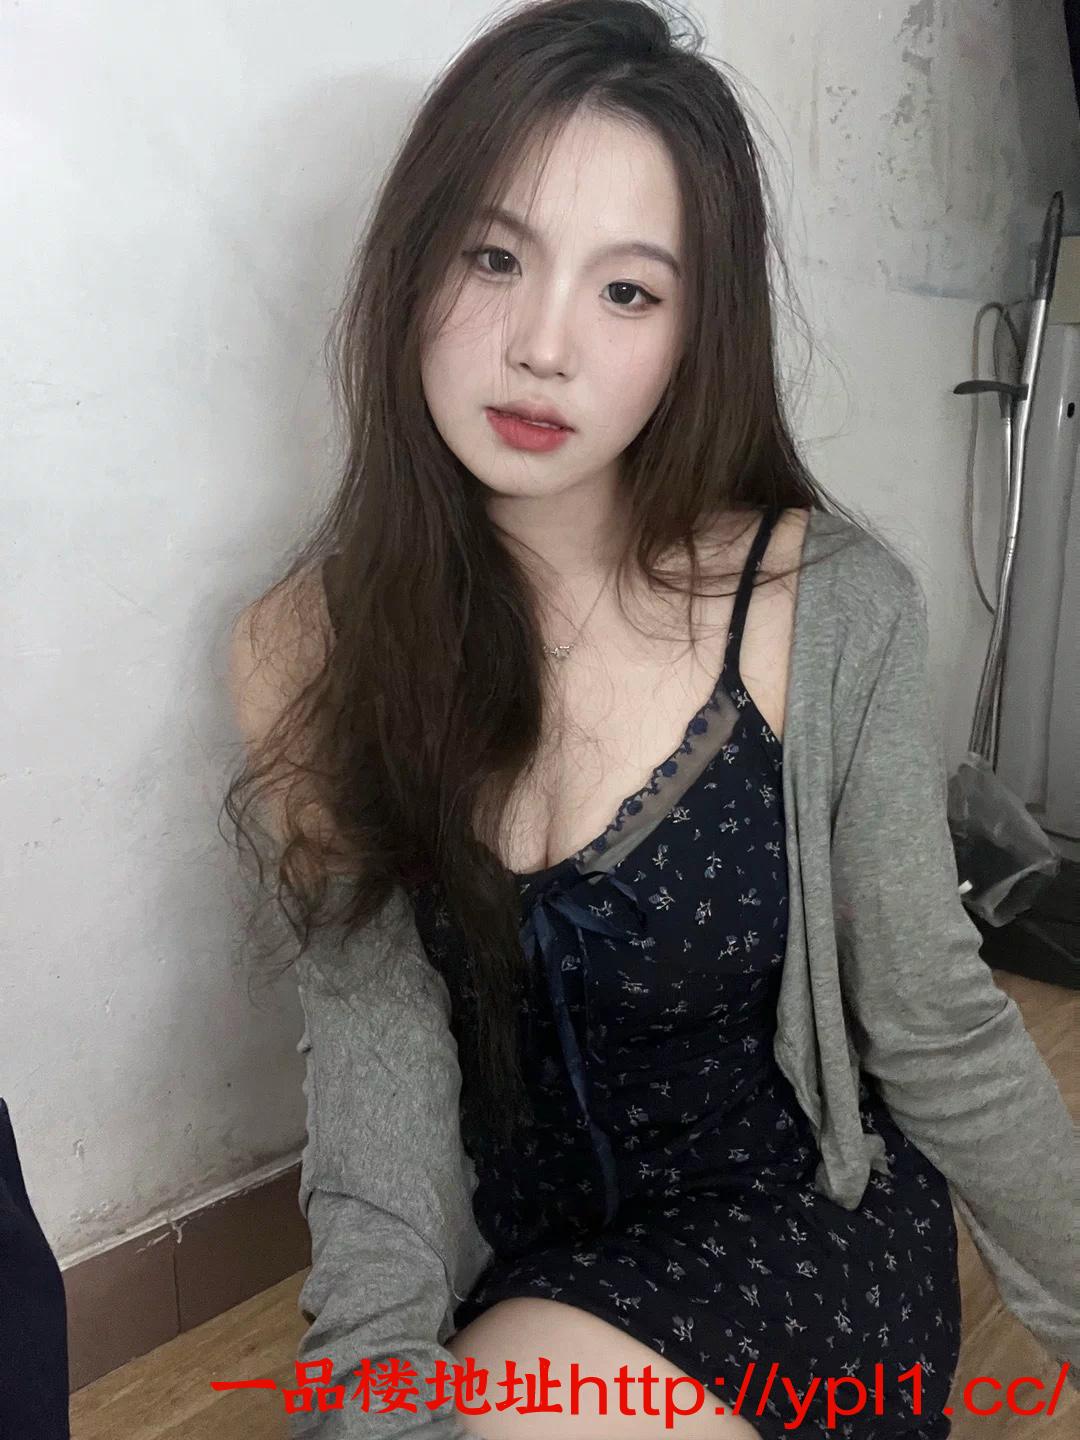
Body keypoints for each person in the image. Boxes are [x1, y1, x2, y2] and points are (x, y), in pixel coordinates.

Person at [225, 3, 1080, 1436]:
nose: (543, 346)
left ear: (696, 332)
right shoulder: (302, 650)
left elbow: (937, 1029)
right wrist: (364, 1394)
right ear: (412, 262)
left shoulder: (826, 604)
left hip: (801, 1243)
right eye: (494, 257)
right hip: (532, 1271)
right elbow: (375, 1085)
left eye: (628, 291)